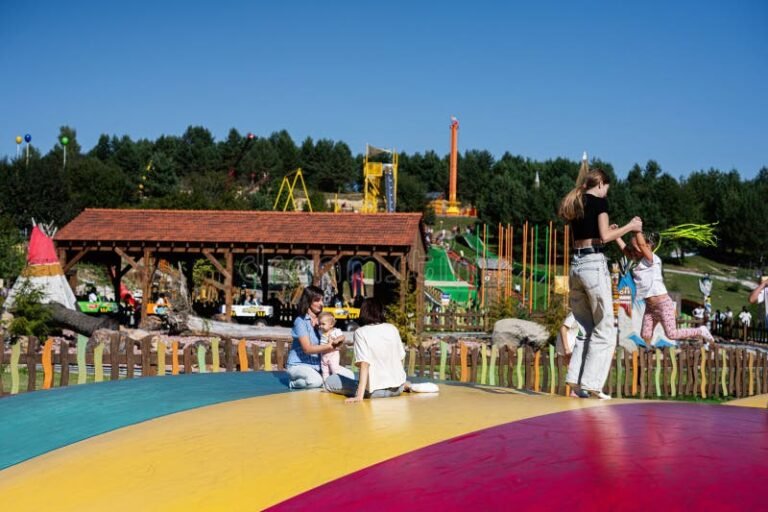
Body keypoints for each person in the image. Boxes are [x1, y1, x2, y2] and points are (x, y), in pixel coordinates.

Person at [558, 167, 642, 399]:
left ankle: (575, 380)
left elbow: (597, 234)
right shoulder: (599, 202)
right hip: (594, 265)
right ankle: (593, 383)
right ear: (601, 184)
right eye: (607, 189)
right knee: (605, 328)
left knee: (585, 327)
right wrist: (630, 226)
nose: (607, 193)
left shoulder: (577, 202)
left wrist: (617, 233)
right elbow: (604, 237)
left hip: (576, 266)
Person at [617, 232, 714, 347]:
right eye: (632, 248)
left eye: (635, 248)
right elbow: (625, 250)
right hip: (650, 307)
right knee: (645, 334)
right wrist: (616, 236)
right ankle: (648, 355)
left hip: (663, 304)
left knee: (671, 334)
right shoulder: (637, 261)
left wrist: (637, 230)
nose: (633, 251)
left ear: (648, 246)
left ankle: (700, 331)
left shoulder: (652, 259)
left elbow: (641, 246)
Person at [324, 297, 410, 403]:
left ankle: (362, 388)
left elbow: (364, 364)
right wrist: (400, 382)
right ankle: (405, 385)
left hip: (375, 392)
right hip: (398, 389)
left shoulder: (361, 332)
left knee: (331, 380)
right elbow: (400, 358)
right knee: (359, 381)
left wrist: (359, 396)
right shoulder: (392, 328)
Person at [286, 286, 353, 389]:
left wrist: (337, 340)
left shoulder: (322, 321)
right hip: (299, 365)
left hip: (319, 366)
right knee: (316, 381)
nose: (321, 303)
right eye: (317, 300)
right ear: (308, 301)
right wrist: (330, 346)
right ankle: (294, 383)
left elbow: (336, 336)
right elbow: (307, 349)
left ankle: (324, 381)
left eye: (322, 300)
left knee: (349, 376)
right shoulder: (300, 321)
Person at [317, 311, 345, 380]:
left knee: (334, 369)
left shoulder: (335, 331)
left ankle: (337, 381)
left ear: (331, 324)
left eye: (323, 324)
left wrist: (337, 340)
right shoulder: (321, 332)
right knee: (325, 370)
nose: (321, 326)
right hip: (323, 355)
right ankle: (326, 383)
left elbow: (342, 337)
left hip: (333, 354)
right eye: (320, 324)